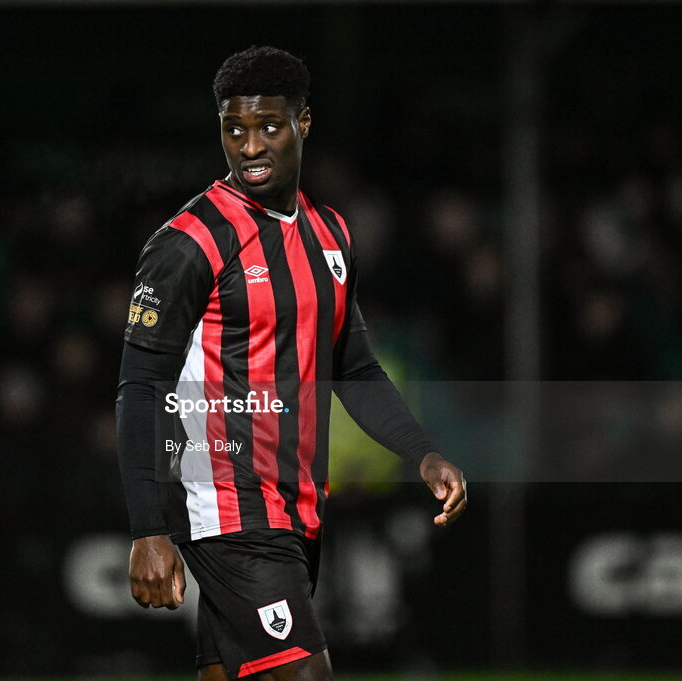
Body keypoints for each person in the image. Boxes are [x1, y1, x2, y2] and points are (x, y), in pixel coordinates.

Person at [115, 46, 467, 681]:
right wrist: (147, 529)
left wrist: (421, 451)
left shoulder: (331, 235)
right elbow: (141, 386)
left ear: (303, 123)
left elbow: (353, 367)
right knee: (306, 675)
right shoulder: (188, 243)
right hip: (226, 505)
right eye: (234, 129)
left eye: (268, 127)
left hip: (298, 508)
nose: (250, 146)